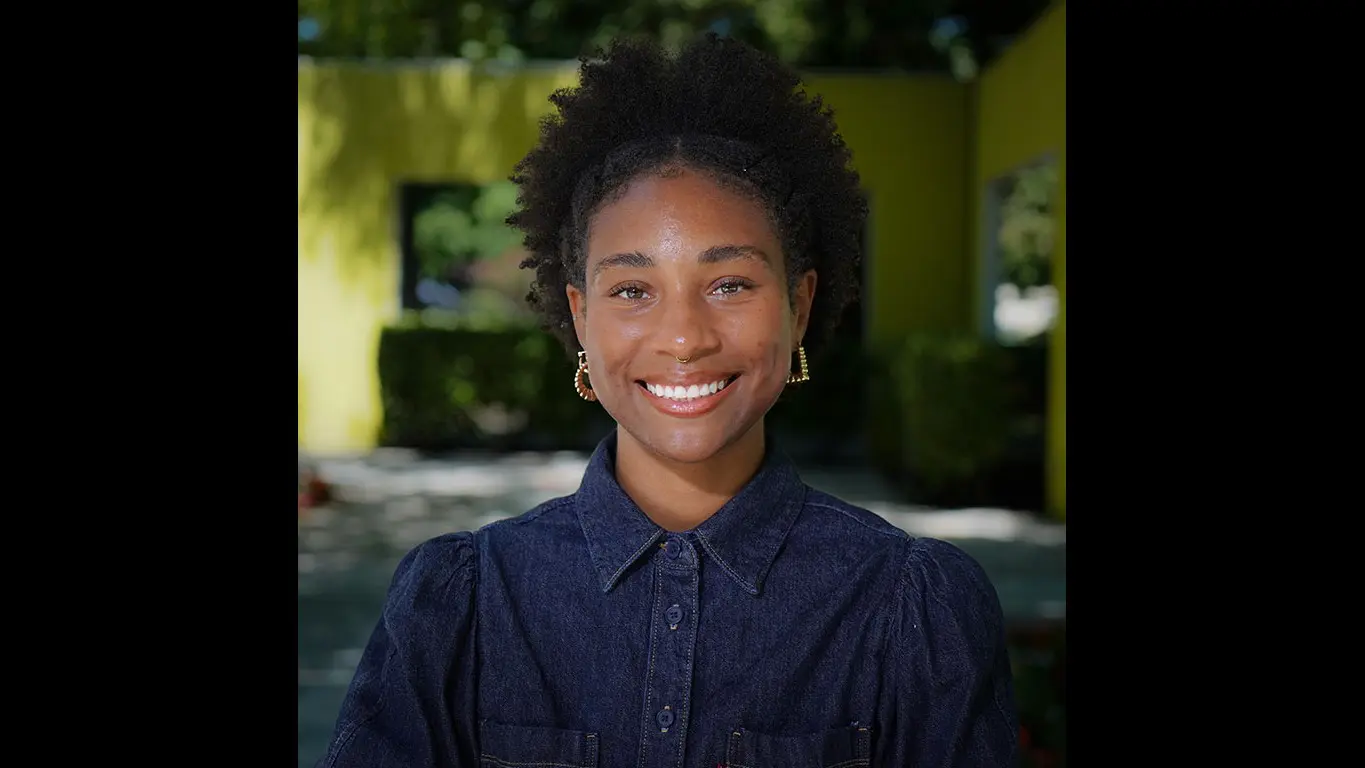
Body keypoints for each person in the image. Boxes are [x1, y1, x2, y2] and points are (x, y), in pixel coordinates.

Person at [319, 33, 1018, 768]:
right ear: (580, 314)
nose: (683, 338)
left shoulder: (912, 606)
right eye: (630, 290)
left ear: (799, 303)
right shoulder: (461, 603)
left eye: (728, 284)